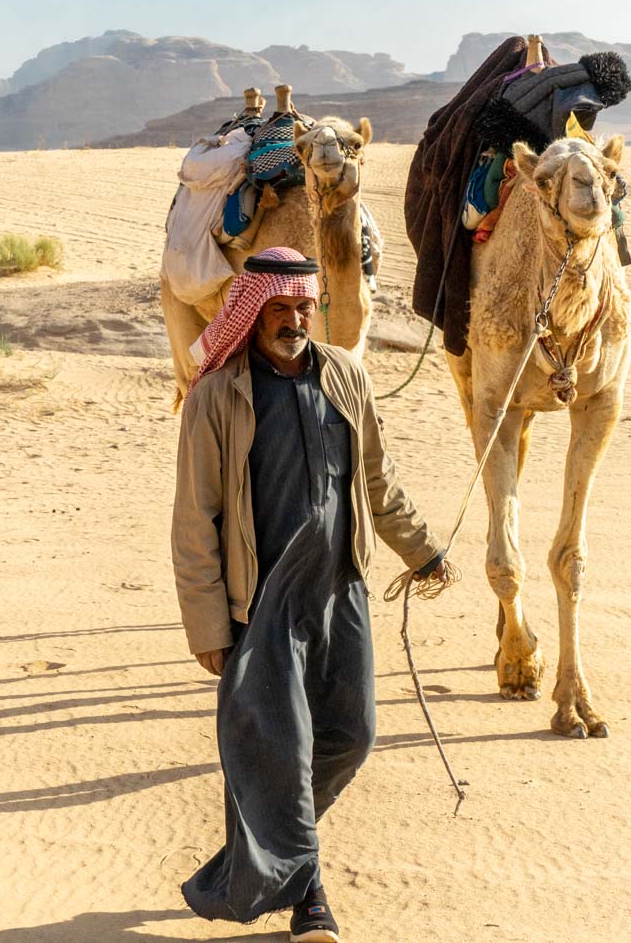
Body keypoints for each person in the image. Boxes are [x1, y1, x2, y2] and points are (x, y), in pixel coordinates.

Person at [171, 245, 446, 942]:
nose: (294, 318)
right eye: (280, 307)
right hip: (260, 607)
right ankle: (310, 897)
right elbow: (194, 520)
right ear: (252, 310)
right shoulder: (216, 396)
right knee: (282, 751)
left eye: (303, 306)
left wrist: (422, 549)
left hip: (339, 590)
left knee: (352, 736)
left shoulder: (347, 376)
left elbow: (376, 482)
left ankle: (256, 858)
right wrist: (207, 623)